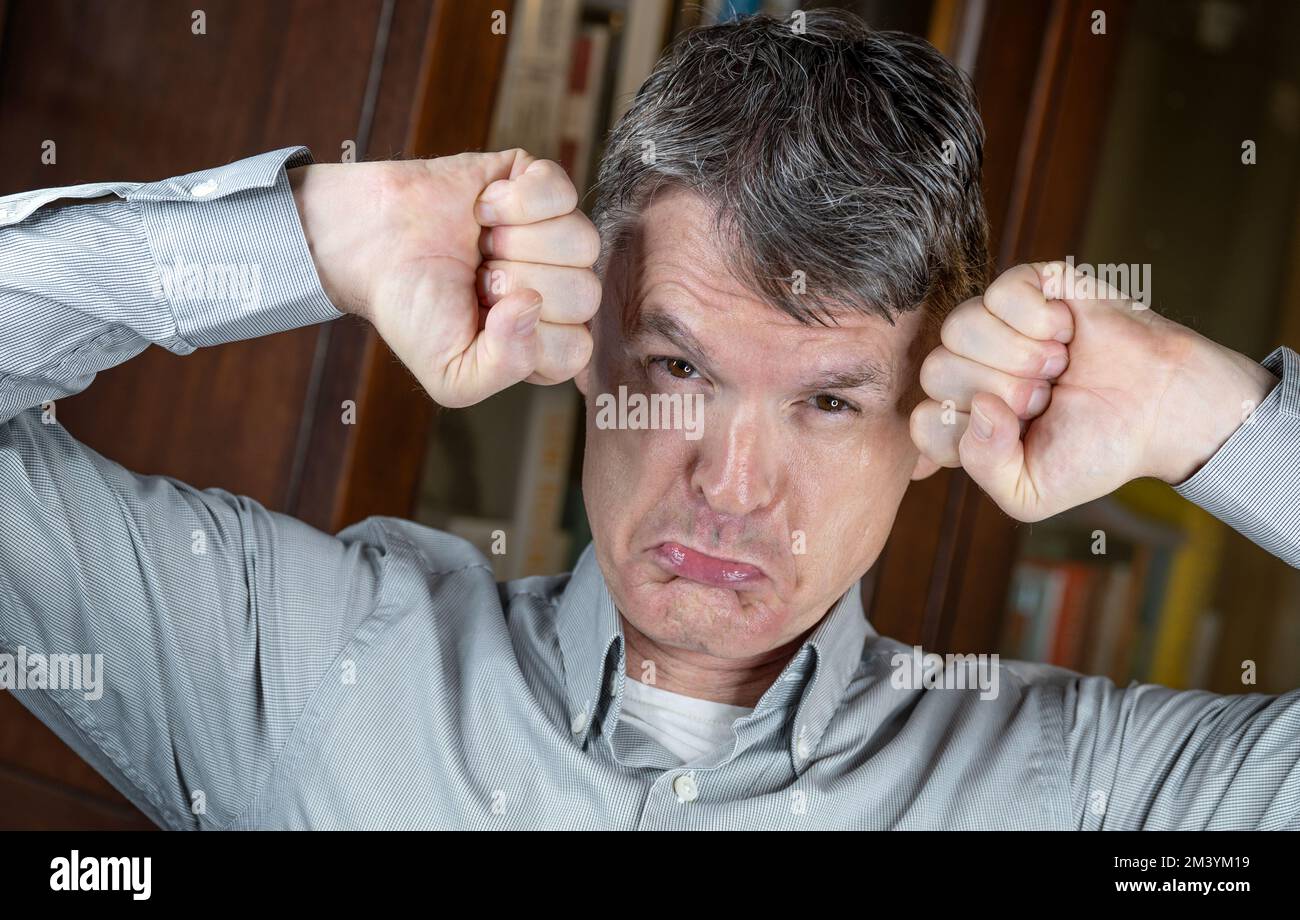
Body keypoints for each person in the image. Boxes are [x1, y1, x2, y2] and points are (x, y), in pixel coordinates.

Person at [1, 10, 1296, 830]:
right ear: (582, 339)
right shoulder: (295, 671)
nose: (733, 486)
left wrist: (1213, 418)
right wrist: (312, 235)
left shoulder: (1095, 794)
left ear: (931, 424)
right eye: (677, 370)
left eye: (832, 399)